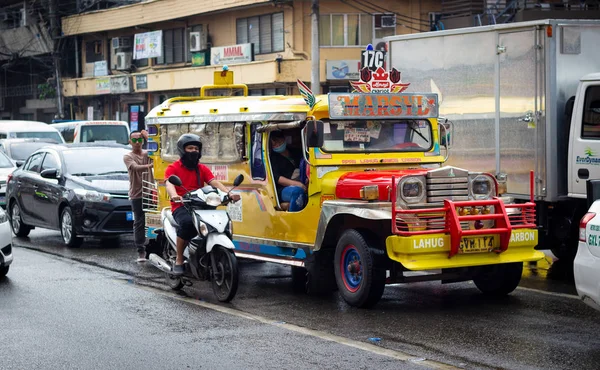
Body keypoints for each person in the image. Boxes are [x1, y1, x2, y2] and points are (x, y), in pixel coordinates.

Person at [165, 133, 240, 275]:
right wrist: (174, 195)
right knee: (188, 224)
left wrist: (228, 194)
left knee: (219, 223)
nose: (194, 151)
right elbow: (169, 183)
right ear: (182, 150)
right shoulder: (173, 168)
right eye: (190, 148)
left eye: (196, 148)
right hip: (182, 206)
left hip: (201, 205)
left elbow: (214, 182)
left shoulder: (202, 168)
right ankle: (179, 259)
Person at [123, 130, 154, 262]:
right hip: (137, 194)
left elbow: (159, 151)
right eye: (134, 140)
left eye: (139, 140)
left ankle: (154, 248)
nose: (137, 143)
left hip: (151, 192)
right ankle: (140, 250)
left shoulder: (148, 154)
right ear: (130, 142)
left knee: (154, 220)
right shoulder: (128, 156)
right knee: (139, 222)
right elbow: (135, 168)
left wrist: (147, 136)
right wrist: (150, 166)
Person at [269, 131, 306, 212]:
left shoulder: (296, 152)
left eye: (278, 141)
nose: (276, 144)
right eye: (273, 143)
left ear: (284, 139)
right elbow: (276, 177)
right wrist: (296, 184)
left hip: (302, 181)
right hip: (282, 188)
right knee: (297, 192)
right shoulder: (272, 158)